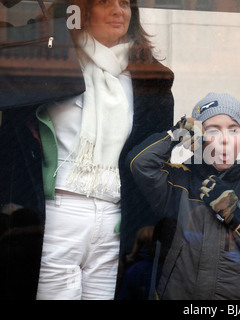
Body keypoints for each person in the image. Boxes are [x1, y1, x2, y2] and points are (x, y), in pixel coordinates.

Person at [0, 0, 174, 300]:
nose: (119, 11)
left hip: (113, 219)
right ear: (83, 10)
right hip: (58, 213)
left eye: (126, 4)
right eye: (107, 2)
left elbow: (149, 158)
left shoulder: (146, 78)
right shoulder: (54, 61)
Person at [126, 92, 240, 300]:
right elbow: (139, 163)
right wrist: (177, 134)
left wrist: (237, 216)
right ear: (199, 137)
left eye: (233, 130)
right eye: (213, 130)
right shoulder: (178, 180)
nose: (224, 140)